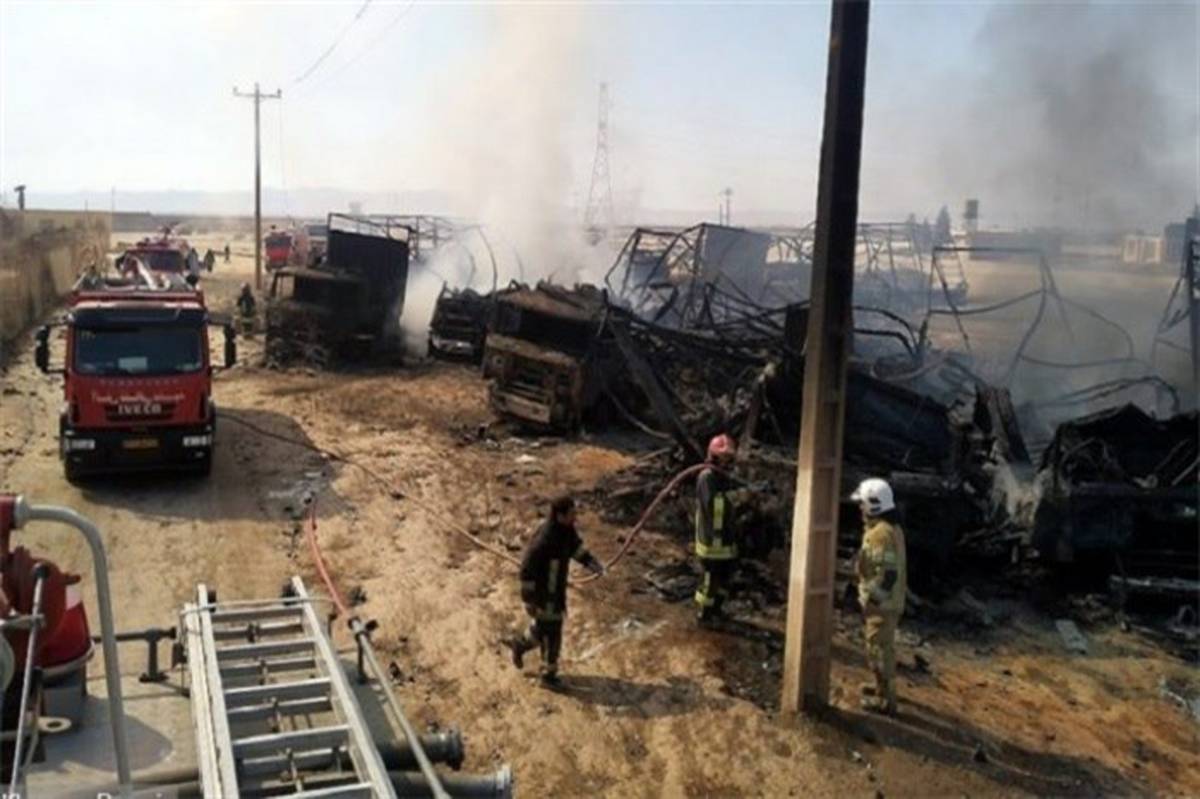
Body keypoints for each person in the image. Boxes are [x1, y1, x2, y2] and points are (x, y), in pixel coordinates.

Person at [505, 495, 605, 685]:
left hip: (557, 592)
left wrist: (591, 563)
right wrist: (528, 600)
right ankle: (548, 674)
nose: (575, 517)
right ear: (560, 515)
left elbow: (575, 548)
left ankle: (520, 645)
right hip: (544, 596)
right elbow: (526, 570)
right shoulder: (544, 541)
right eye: (571, 514)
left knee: (543, 628)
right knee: (552, 634)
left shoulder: (566, 530)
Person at [852, 477, 908, 716]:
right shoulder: (891, 529)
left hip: (883, 605)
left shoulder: (880, 535)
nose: (860, 508)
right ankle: (880, 687)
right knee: (881, 647)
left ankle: (886, 701)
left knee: (878, 650)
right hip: (890, 602)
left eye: (863, 503)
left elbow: (888, 575)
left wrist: (871, 601)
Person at [694, 433, 740, 624]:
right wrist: (739, 498)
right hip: (711, 543)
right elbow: (714, 505)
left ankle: (717, 610)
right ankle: (704, 615)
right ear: (714, 456)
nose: (728, 461)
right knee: (709, 581)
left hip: (725, 542)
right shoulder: (707, 477)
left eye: (730, 457)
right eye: (725, 457)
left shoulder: (723, 477)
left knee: (724, 578)